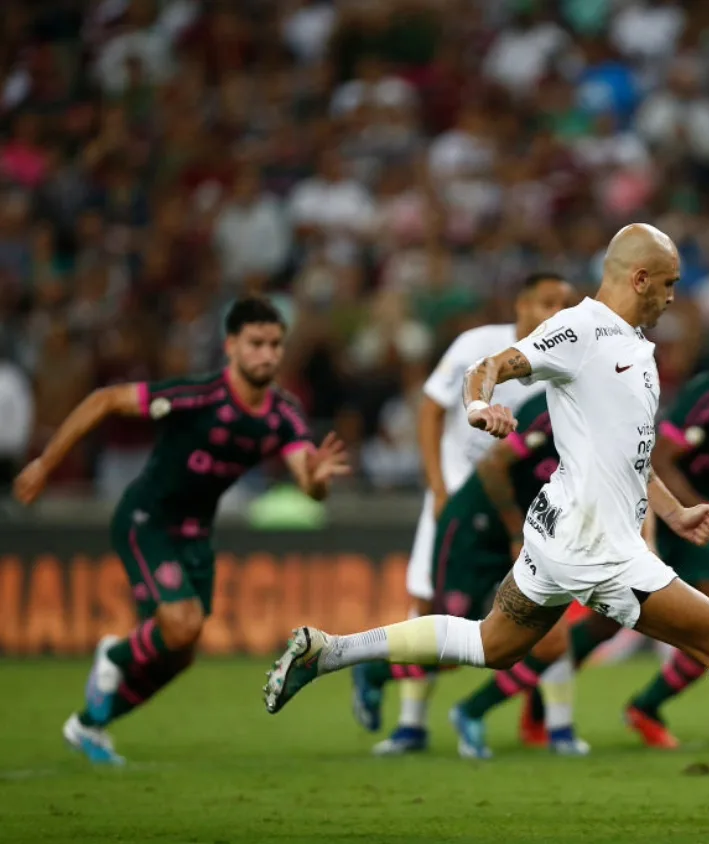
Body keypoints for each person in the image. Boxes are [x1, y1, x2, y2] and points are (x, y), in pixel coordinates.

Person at [264, 224, 709, 826]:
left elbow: (626, 453)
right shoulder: (579, 328)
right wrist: (480, 406)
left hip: (561, 532)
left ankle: (333, 651)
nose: (672, 297)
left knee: (490, 644)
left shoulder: (631, 344)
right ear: (638, 279)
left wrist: (670, 510)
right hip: (593, 545)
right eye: (667, 284)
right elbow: (491, 365)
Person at [14, 297, 349, 765]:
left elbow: (307, 480)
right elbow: (106, 399)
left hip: (194, 536)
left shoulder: (282, 415)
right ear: (231, 346)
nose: (268, 354)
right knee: (182, 624)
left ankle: (88, 725)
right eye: (256, 343)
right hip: (146, 519)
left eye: (275, 344)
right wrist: (45, 465)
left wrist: (315, 481)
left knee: (180, 654)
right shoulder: (199, 396)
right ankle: (113, 657)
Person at [485, 329, 709, 750]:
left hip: (705, 523)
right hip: (652, 509)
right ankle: (541, 705)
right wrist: (707, 514)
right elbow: (658, 459)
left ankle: (646, 707)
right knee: (603, 624)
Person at [350, 390, 614, 757]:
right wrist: (512, 532)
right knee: (461, 648)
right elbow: (493, 466)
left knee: (552, 643)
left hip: (532, 534)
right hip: (475, 532)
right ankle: (375, 673)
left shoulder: (611, 424)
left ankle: (472, 711)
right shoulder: (554, 410)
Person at [380, 271, 573, 755]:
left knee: (547, 613)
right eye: (548, 302)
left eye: (565, 303)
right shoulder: (478, 345)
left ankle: (561, 728)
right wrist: (438, 484)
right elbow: (430, 408)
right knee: (431, 608)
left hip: (527, 508)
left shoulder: (568, 355)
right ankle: (409, 723)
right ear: (521, 305)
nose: (557, 312)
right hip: (460, 496)